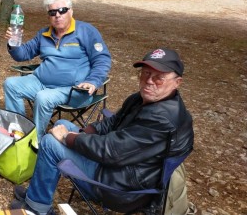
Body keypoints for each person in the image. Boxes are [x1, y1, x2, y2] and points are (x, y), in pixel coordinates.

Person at [10, 48, 194, 215]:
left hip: (122, 187)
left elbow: (112, 151)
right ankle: (37, 194)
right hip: (121, 166)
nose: (149, 81)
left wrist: (68, 137)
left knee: (52, 143)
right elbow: (113, 123)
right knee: (65, 123)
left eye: (159, 78)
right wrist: (85, 131)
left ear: (177, 82)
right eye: (145, 73)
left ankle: (36, 209)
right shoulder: (143, 99)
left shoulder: (163, 118)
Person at [3, 0, 111, 139]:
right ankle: (18, 132)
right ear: (48, 16)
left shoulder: (86, 31)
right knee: (10, 84)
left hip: (74, 90)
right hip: (41, 82)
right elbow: (22, 55)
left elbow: (102, 58)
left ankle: (36, 141)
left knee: (43, 97)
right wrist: (13, 43)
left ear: (71, 11)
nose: (57, 15)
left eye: (62, 10)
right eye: (52, 12)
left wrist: (93, 80)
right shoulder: (44, 34)